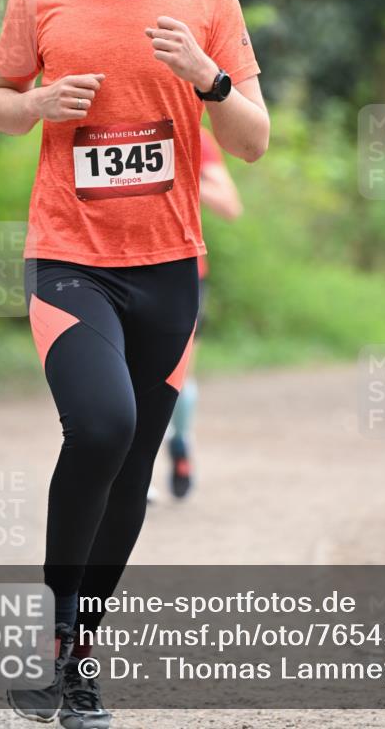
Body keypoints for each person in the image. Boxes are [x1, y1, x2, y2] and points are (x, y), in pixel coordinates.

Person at [0, 0, 269, 728]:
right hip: (68, 256)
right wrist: (34, 105)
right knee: (101, 428)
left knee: (137, 454)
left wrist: (208, 78)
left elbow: (254, 142)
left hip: (168, 266)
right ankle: (60, 631)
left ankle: (75, 664)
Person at [167, 126, 243, 498]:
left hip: (182, 272)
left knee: (175, 379)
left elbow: (230, 204)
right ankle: (138, 475)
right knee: (125, 379)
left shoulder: (192, 133)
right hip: (108, 269)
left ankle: (181, 443)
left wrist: (175, 175)